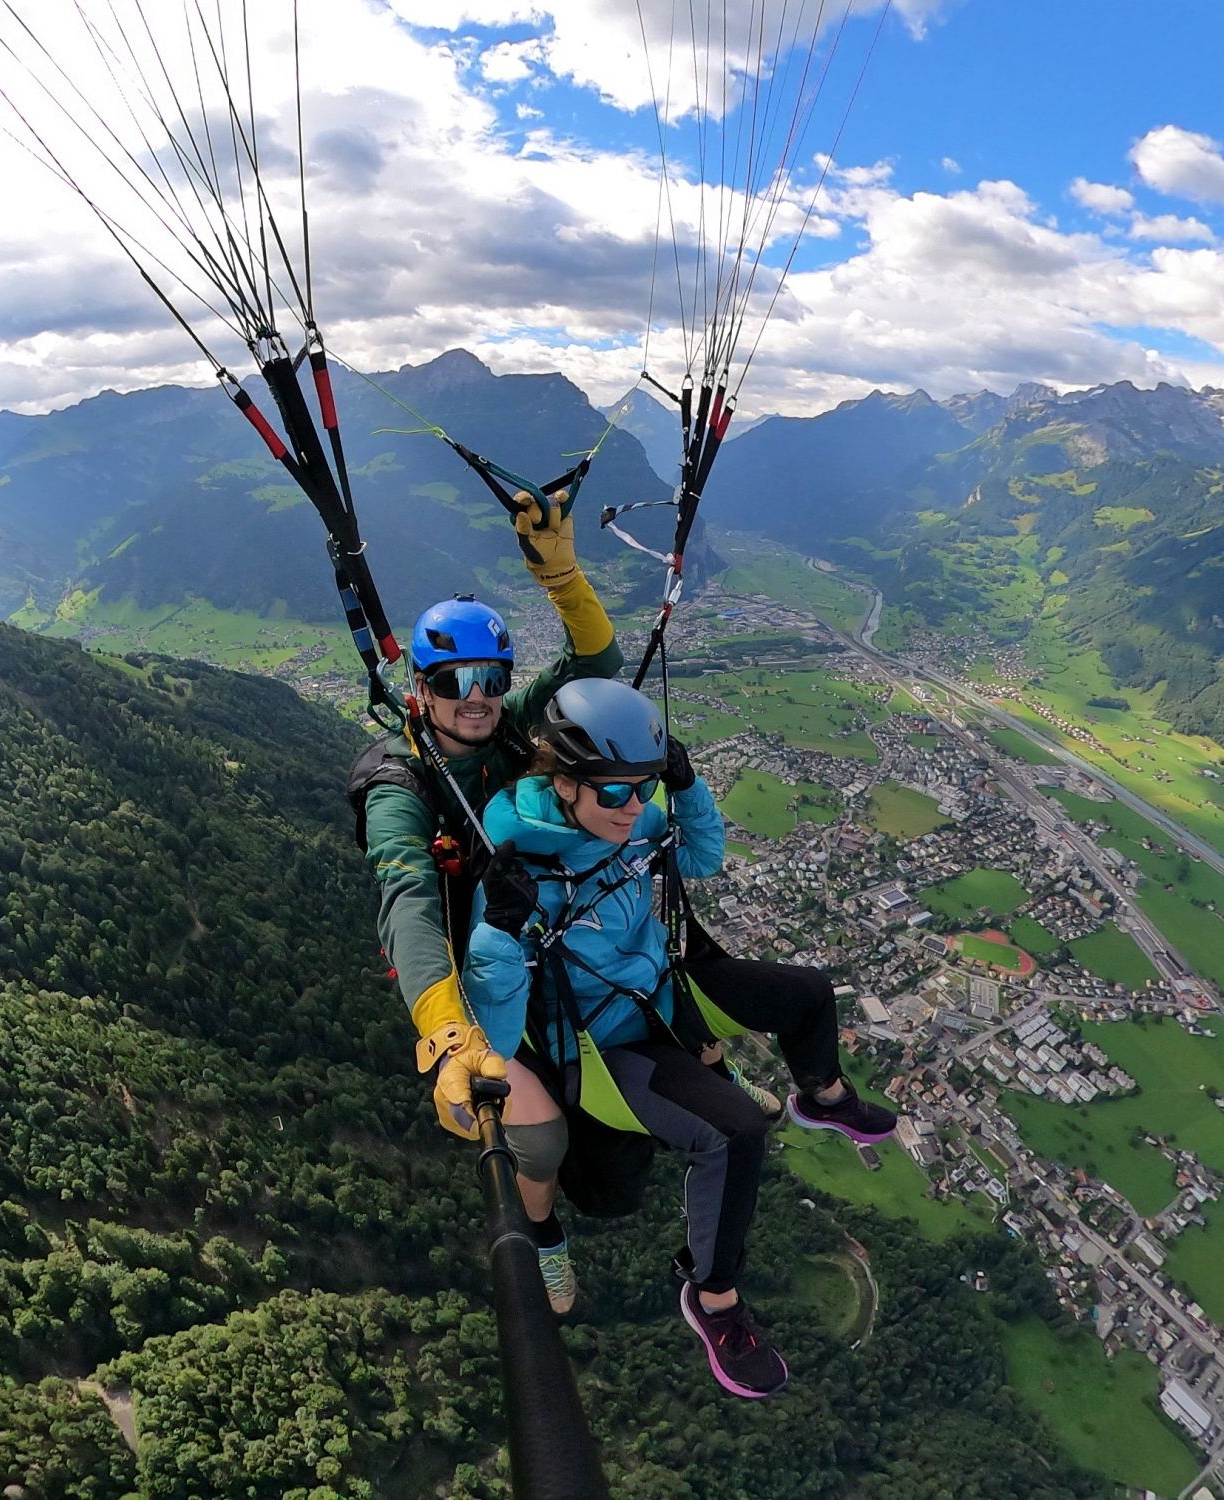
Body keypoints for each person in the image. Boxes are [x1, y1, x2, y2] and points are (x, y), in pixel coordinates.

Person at [462, 678, 897, 1399]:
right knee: (732, 1134)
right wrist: (498, 933)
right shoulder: (518, 873)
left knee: (809, 995)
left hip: (667, 991)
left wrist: (686, 786)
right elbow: (502, 1033)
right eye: (614, 793)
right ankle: (713, 1297)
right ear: (563, 782)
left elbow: (701, 857)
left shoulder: (628, 816)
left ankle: (823, 1094)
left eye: (645, 786)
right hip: (604, 1045)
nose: (634, 808)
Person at [351, 486, 623, 1316]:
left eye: (492, 678)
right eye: (453, 681)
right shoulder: (400, 786)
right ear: (420, 690)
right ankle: (544, 1238)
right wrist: (444, 1025)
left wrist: (564, 579)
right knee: (539, 1135)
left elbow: (597, 669)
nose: (476, 695)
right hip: (473, 977)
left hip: (541, 938)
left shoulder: (507, 731)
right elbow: (407, 897)